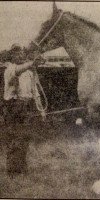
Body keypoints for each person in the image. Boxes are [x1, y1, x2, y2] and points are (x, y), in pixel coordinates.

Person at [2, 43, 45, 176]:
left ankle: (21, 168)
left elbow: (35, 92)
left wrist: (41, 109)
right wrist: (32, 62)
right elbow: (17, 71)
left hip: (26, 106)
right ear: (12, 55)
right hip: (13, 106)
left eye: (21, 52)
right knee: (15, 138)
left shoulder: (29, 72)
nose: (20, 54)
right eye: (16, 53)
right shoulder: (10, 69)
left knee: (25, 137)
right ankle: (12, 171)